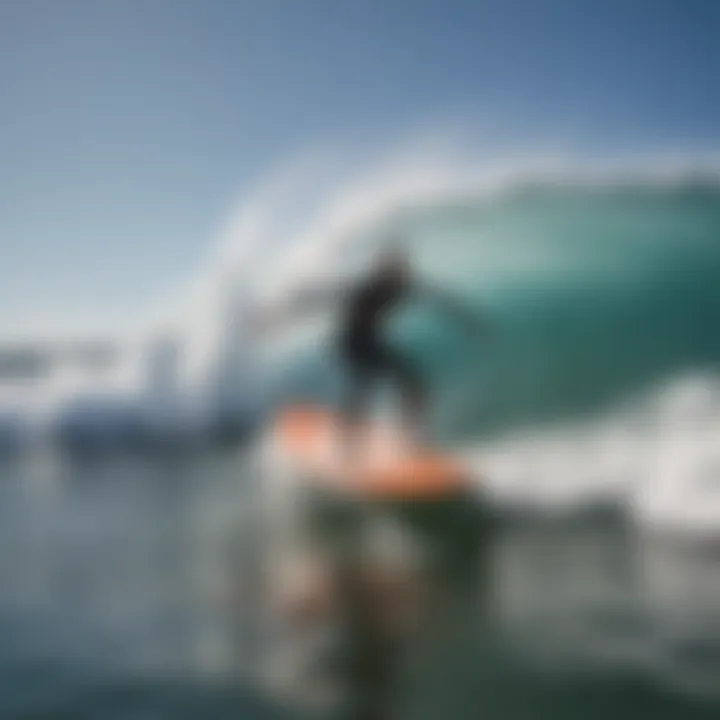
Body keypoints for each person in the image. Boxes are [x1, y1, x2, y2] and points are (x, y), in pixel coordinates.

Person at [255, 239, 487, 448]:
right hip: (349, 342)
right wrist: (275, 316)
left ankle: (410, 436)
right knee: (364, 384)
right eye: (391, 271)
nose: (397, 276)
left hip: (372, 341)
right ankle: (348, 442)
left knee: (414, 381)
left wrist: (469, 321)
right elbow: (318, 298)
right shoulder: (366, 286)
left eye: (400, 271)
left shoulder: (405, 286)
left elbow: (441, 302)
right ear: (382, 271)